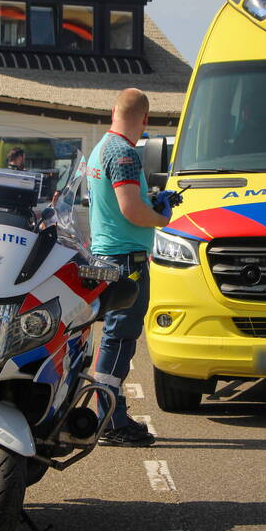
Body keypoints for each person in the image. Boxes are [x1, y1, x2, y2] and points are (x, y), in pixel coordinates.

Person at [87, 88, 175, 447]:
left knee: (112, 338)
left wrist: (149, 199)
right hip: (126, 262)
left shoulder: (101, 147)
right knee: (120, 341)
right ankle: (110, 421)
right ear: (145, 120)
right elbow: (130, 210)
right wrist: (161, 216)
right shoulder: (125, 154)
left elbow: (117, 201)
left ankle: (110, 414)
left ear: (113, 112)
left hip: (107, 254)